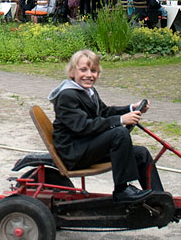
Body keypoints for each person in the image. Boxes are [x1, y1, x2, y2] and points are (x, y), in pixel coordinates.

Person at [48, 50, 163, 203]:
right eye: (83, 70)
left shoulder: (88, 91)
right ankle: (122, 190)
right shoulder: (67, 96)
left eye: (93, 71)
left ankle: (159, 198)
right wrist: (121, 120)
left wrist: (130, 108)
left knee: (140, 153)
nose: (89, 75)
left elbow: (104, 112)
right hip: (74, 151)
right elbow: (82, 126)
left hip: (85, 145)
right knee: (119, 133)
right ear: (71, 72)